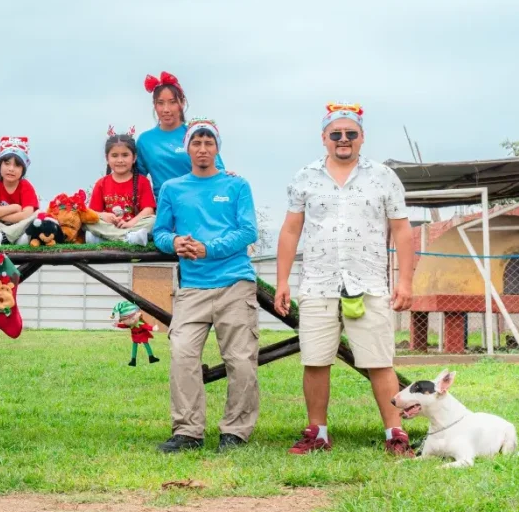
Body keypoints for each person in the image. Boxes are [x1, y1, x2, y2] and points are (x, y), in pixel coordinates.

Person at [273, 102, 417, 457]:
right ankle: (317, 433)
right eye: (335, 134)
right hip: (318, 282)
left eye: (350, 133)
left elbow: (401, 230)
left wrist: (406, 281)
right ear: (323, 138)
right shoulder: (305, 177)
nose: (343, 140)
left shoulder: (383, 177)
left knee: (379, 361)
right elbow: (291, 230)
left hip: (368, 282)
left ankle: (395, 433)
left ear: (362, 138)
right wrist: (282, 281)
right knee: (316, 360)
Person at [152, 118, 259, 453]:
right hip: (192, 288)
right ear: (188, 149)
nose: (202, 148)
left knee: (240, 359)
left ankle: (235, 432)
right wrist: (175, 242)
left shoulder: (236, 186)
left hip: (234, 283)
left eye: (208, 142)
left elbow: (248, 231)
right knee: (182, 355)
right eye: (196, 143)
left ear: (217, 148)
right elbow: (160, 232)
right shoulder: (172, 189)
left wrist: (209, 248)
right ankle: (187, 432)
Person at [135, 71, 225, 200]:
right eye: (160, 103)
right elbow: (135, 181)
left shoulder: (195, 133)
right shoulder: (145, 141)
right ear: (154, 105)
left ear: (182, 103)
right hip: (165, 207)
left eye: (172, 102)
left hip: (200, 202)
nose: (166, 109)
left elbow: (219, 170)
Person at [85, 126, 156, 245]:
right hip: (109, 226)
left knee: (154, 220)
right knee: (87, 222)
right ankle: (127, 239)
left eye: (125, 155)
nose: (120, 160)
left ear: (134, 158)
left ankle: (107, 239)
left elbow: (149, 210)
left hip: (134, 226)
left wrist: (131, 223)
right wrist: (104, 215)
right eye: (114, 155)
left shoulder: (142, 181)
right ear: (107, 158)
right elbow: (93, 213)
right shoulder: (101, 183)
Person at [0, 136, 39, 244]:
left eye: (17, 165)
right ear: (0, 165)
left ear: (23, 170)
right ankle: (11, 237)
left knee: (37, 215)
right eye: (7, 163)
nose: (11, 169)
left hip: (19, 225)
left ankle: (3, 237)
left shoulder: (26, 186)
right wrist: (15, 207)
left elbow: (26, 215)